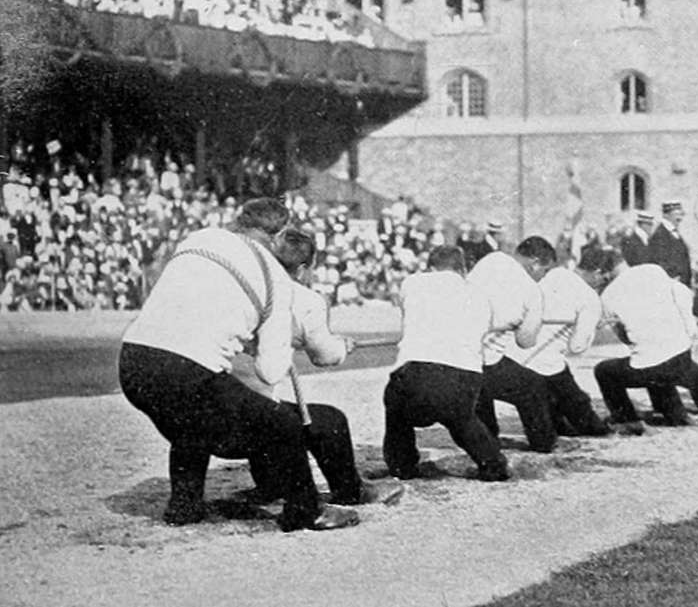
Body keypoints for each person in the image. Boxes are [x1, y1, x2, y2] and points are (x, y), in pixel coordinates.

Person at [118, 198, 354, 532]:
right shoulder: (275, 276)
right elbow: (270, 370)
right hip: (187, 368)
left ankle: (184, 505)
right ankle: (306, 511)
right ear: (279, 234)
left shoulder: (197, 238)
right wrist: (261, 338)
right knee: (285, 423)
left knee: (193, 420)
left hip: (133, 360)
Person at [235, 228, 403, 507]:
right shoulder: (305, 298)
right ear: (302, 269)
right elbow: (324, 356)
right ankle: (352, 491)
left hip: (210, 402)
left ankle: (270, 484)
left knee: (263, 395)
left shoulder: (237, 285)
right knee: (328, 419)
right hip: (249, 419)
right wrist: (340, 346)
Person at [384, 245, 509, 481]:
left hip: (417, 371)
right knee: (462, 419)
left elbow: (409, 313)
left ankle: (403, 466)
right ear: (462, 269)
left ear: (431, 268)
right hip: (466, 376)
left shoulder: (412, 282)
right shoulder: (479, 294)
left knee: (396, 411)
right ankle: (493, 463)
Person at [579, 248, 698, 436]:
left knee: (605, 371)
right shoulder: (654, 271)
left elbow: (624, 338)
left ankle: (626, 419)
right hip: (682, 355)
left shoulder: (607, 296)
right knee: (655, 359)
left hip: (654, 366)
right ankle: (675, 413)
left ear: (602, 272)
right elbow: (679, 298)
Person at [505, 256, 611, 439]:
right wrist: (591, 327)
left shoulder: (554, 274)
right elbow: (577, 347)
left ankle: (557, 421)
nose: (602, 285)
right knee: (581, 408)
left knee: (554, 393)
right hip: (545, 363)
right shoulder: (590, 298)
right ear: (598, 273)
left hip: (515, 352)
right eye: (605, 280)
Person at [467, 237, 554, 452]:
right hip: (483, 361)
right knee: (534, 385)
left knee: (483, 377)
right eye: (544, 270)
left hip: (457, 353)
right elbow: (525, 342)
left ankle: (488, 437)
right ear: (534, 262)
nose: (543, 276)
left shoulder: (490, 260)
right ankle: (543, 443)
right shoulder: (532, 291)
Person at [647, 201, 691, 285]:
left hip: (681, 285)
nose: (680, 218)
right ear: (666, 215)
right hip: (669, 285)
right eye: (676, 214)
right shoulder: (660, 235)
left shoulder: (675, 233)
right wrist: (672, 278)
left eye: (681, 214)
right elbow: (659, 262)